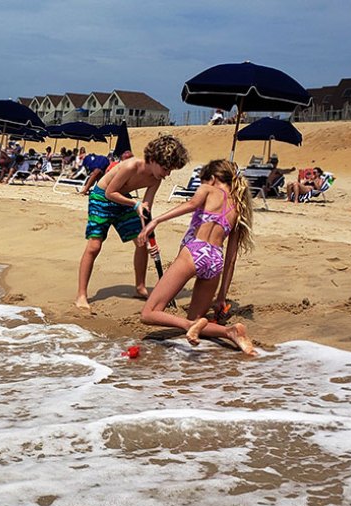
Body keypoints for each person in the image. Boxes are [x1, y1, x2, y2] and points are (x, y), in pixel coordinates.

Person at [136, 159, 256, 355]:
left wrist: (156, 220)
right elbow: (231, 259)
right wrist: (221, 296)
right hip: (215, 259)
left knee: (148, 313)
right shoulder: (238, 208)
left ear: (213, 178)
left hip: (194, 251)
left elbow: (191, 204)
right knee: (196, 321)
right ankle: (230, 332)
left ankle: (186, 325)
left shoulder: (208, 190)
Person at [74, 134, 190, 309]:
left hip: (124, 201)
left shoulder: (155, 178)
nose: (167, 174)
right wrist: (135, 204)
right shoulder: (131, 165)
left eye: (170, 171)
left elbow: (146, 209)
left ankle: (140, 287)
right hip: (102, 198)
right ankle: (81, 295)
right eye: (166, 169)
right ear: (153, 159)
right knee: (94, 245)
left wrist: (148, 235)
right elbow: (110, 193)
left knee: (141, 243)